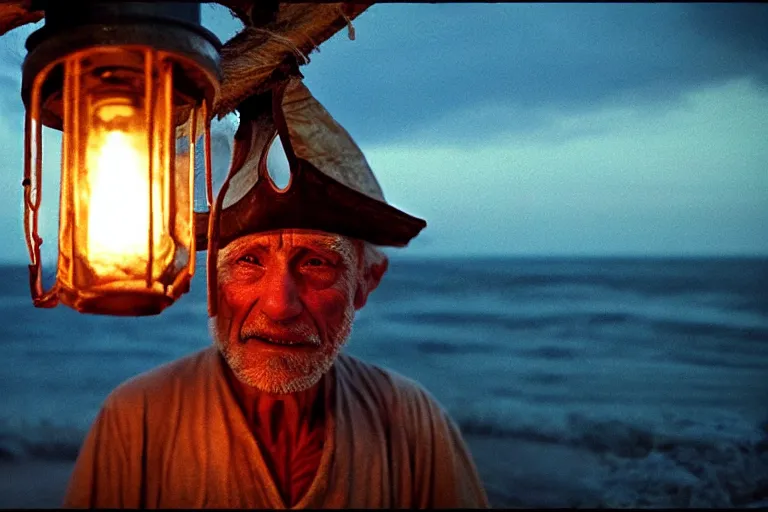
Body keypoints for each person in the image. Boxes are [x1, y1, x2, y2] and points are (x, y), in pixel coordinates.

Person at [62, 78, 490, 509]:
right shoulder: (137, 419)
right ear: (212, 280)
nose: (279, 305)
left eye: (316, 263)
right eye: (248, 261)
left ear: (365, 282)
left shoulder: (414, 422)